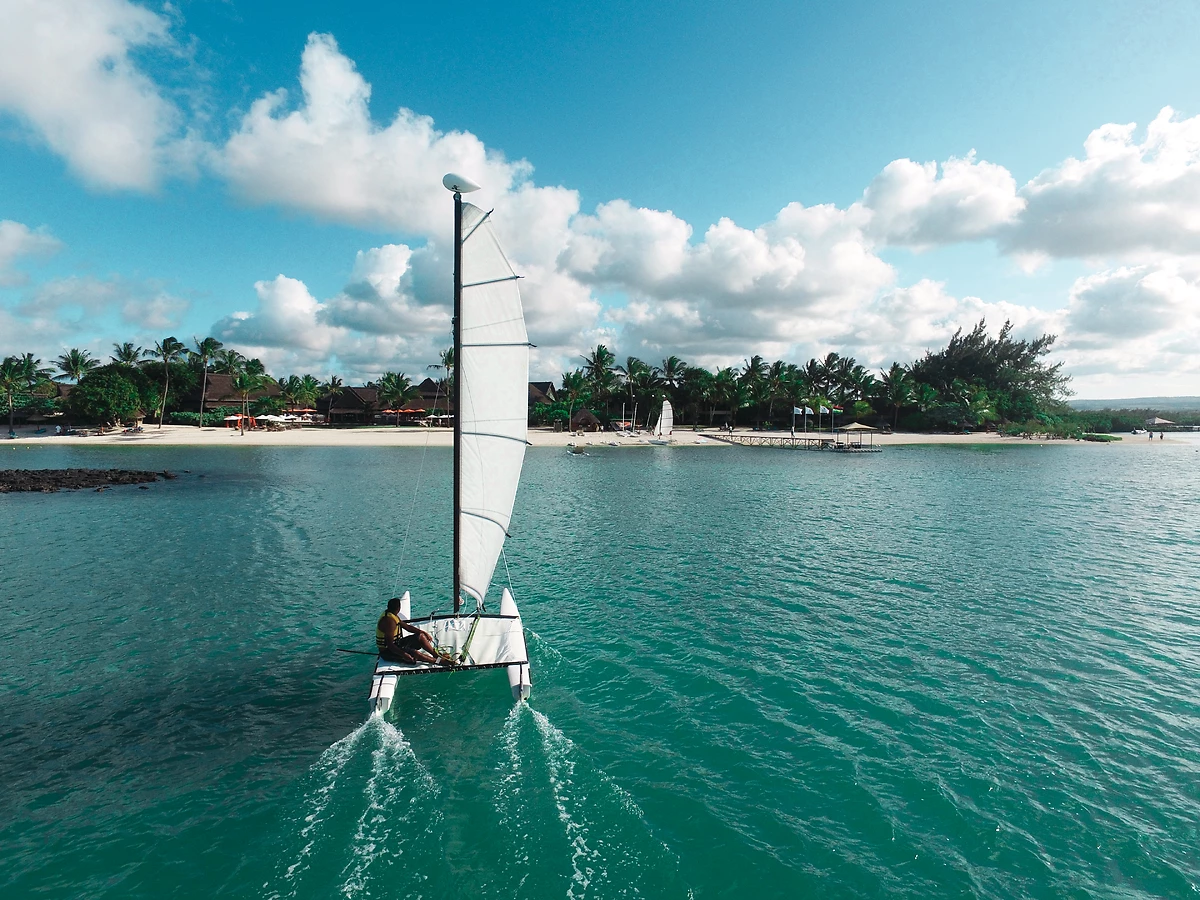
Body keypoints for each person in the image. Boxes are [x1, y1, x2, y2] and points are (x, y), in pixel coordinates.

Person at [375, 598, 451, 666]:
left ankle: (436, 655)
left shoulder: (392, 614)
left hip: (397, 644)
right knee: (415, 653)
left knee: (420, 636)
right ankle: (439, 661)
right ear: (399, 608)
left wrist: (423, 632)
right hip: (388, 651)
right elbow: (390, 645)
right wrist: (404, 655)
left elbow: (407, 627)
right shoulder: (389, 622)